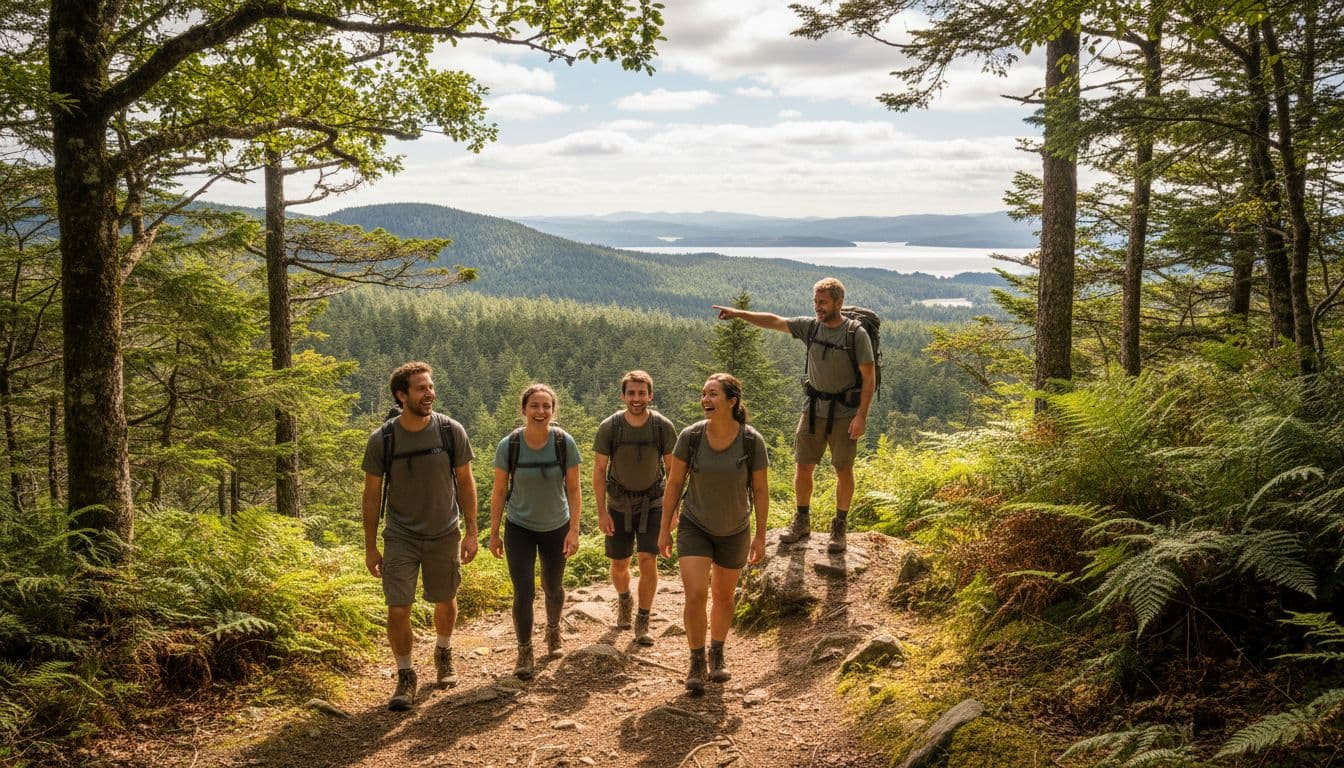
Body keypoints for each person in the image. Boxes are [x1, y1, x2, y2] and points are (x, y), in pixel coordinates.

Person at [712, 277, 874, 553]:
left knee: (843, 468)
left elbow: (868, 377)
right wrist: (739, 314)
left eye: (823, 302)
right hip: (813, 410)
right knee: (803, 465)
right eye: (815, 302)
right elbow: (774, 321)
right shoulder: (811, 328)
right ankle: (802, 519)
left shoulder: (855, 334)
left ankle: (840, 526)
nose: (818, 307)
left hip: (846, 412)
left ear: (839, 302)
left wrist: (861, 416)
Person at [361, 361, 478, 712]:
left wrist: (471, 531)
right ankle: (406, 674)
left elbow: (466, 481)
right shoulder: (383, 438)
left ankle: (443, 651)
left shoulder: (449, 430)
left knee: (445, 598)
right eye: (421, 389)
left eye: (430, 387)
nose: (429, 394)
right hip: (401, 535)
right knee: (398, 607)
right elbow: (371, 495)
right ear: (402, 396)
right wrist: (370, 546)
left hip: (444, 532)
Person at [658, 373, 768, 695]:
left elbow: (760, 491)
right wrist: (665, 528)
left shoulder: (751, 441)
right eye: (704, 394)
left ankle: (716, 652)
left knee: (723, 596)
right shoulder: (690, 437)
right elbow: (675, 484)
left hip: (735, 529)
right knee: (695, 594)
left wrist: (760, 535)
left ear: (732, 401)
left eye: (713, 394)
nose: (705, 400)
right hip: (695, 524)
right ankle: (696, 660)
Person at [488, 383, 582, 680]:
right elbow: (499, 490)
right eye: (534, 406)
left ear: (553, 411)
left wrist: (574, 530)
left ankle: (553, 630)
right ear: (524, 410)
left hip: (557, 526)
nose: (540, 412)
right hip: (520, 527)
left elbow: (575, 489)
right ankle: (525, 649)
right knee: (524, 591)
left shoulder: (564, 443)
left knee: (553, 586)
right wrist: (493, 533)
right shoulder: (510, 445)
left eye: (546, 406)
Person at [593, 370, 676, 645]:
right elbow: (599, 470)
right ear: (623, 395)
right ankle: (625, 598)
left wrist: (673, 510)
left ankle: (643, 618)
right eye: (631, 393)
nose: (637, 398)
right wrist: (602, 512)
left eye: (642, 393)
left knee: (647, 559)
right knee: (619, 564)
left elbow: (673, 470)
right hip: (618, 503)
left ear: (650, 395)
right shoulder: (610, 427)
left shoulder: (662, 426)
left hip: (653, 503)